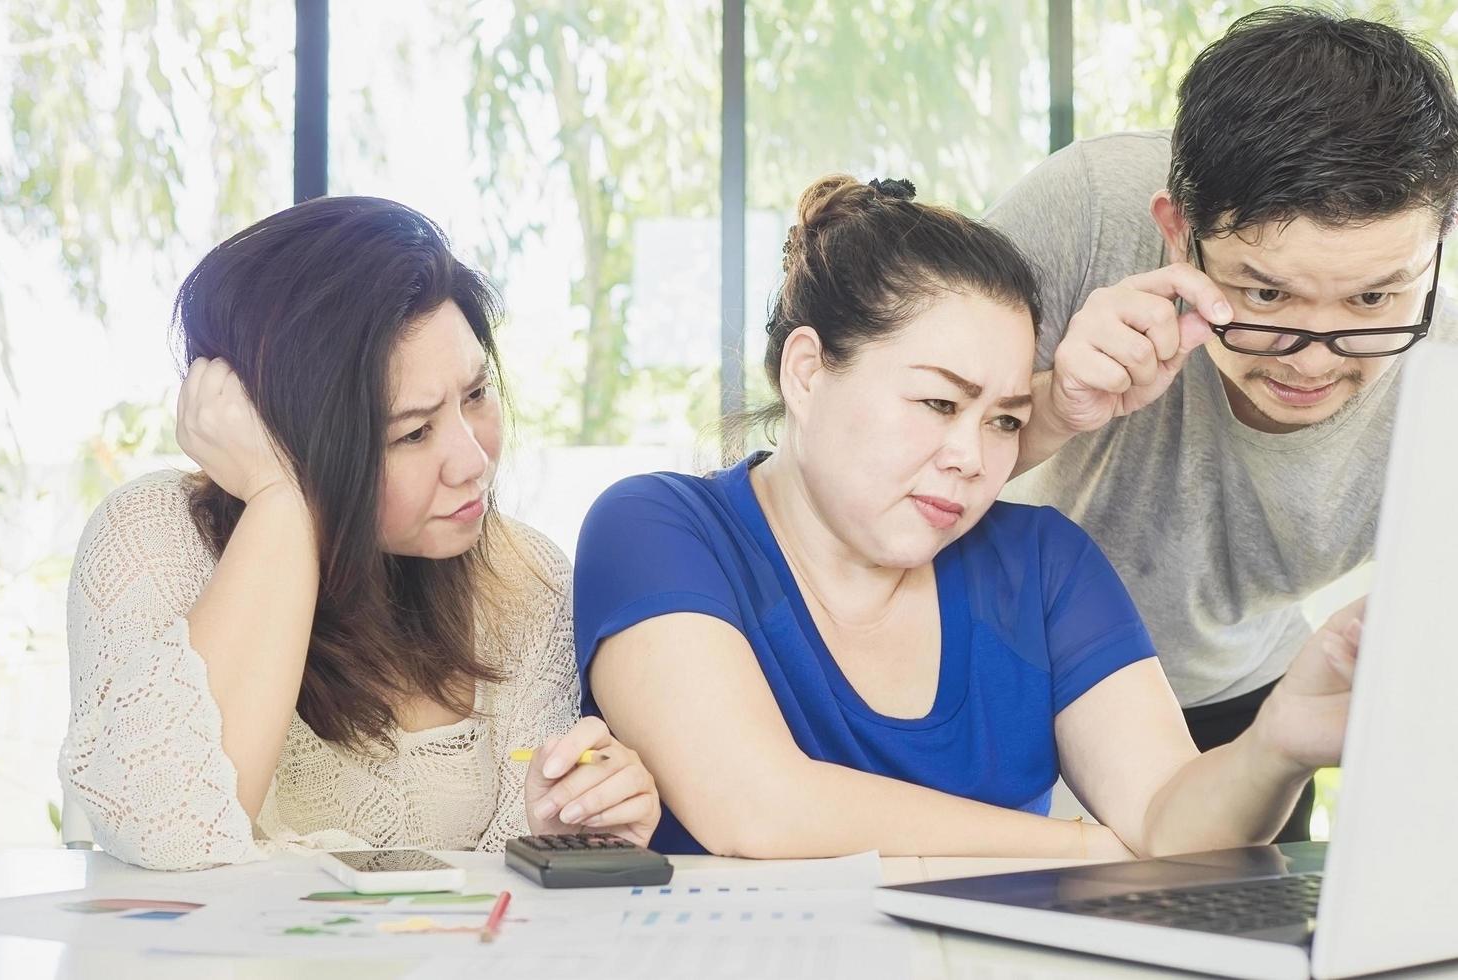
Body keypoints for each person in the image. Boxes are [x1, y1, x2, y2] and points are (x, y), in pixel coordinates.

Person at [571, 174, 1362, 859]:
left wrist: (1275, 745)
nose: (972, 457)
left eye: (1006, 420)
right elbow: (755, 805)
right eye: (939, 403)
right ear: (807, 373)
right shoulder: (657, 529)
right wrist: (1090, 848)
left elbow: (1168, 817)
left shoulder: (1045, 565)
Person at [59, 197, 660, 871]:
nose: (472, 460)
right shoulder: (151, 538)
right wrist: (282, 499)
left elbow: (497, 907)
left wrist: (562, 826)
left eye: (475, 394)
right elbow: (171, 833)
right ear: (292, 437)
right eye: (412, 432)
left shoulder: (524, 580)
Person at [986, 7, 1458, 841]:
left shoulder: (1442, 362)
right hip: (1006, 678)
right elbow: (880, 465)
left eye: (1373, 299)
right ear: (1175, 232)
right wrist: (1053, 403)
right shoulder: (1090, 211)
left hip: (1239, 704)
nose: (1312, 361)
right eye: (1265, 295)